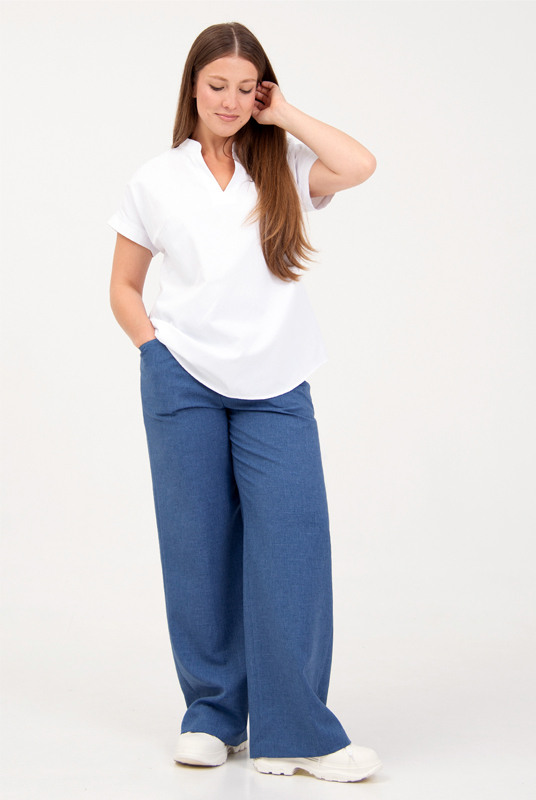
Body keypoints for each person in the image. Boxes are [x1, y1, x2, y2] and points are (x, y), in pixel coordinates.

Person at [108, 21, 381, 783]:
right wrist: (154, 352)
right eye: (216, 85)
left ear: (261, 90)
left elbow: (360, 164)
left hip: (277, 383)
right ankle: (212, 715)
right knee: (196, 549)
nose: (229, 101)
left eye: (245, 87)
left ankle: (296, 732)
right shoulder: (156, 179)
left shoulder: (284, 165)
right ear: (193, 87)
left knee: (293, 547)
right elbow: (123, 286)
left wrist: (282, 113)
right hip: (182, 379)